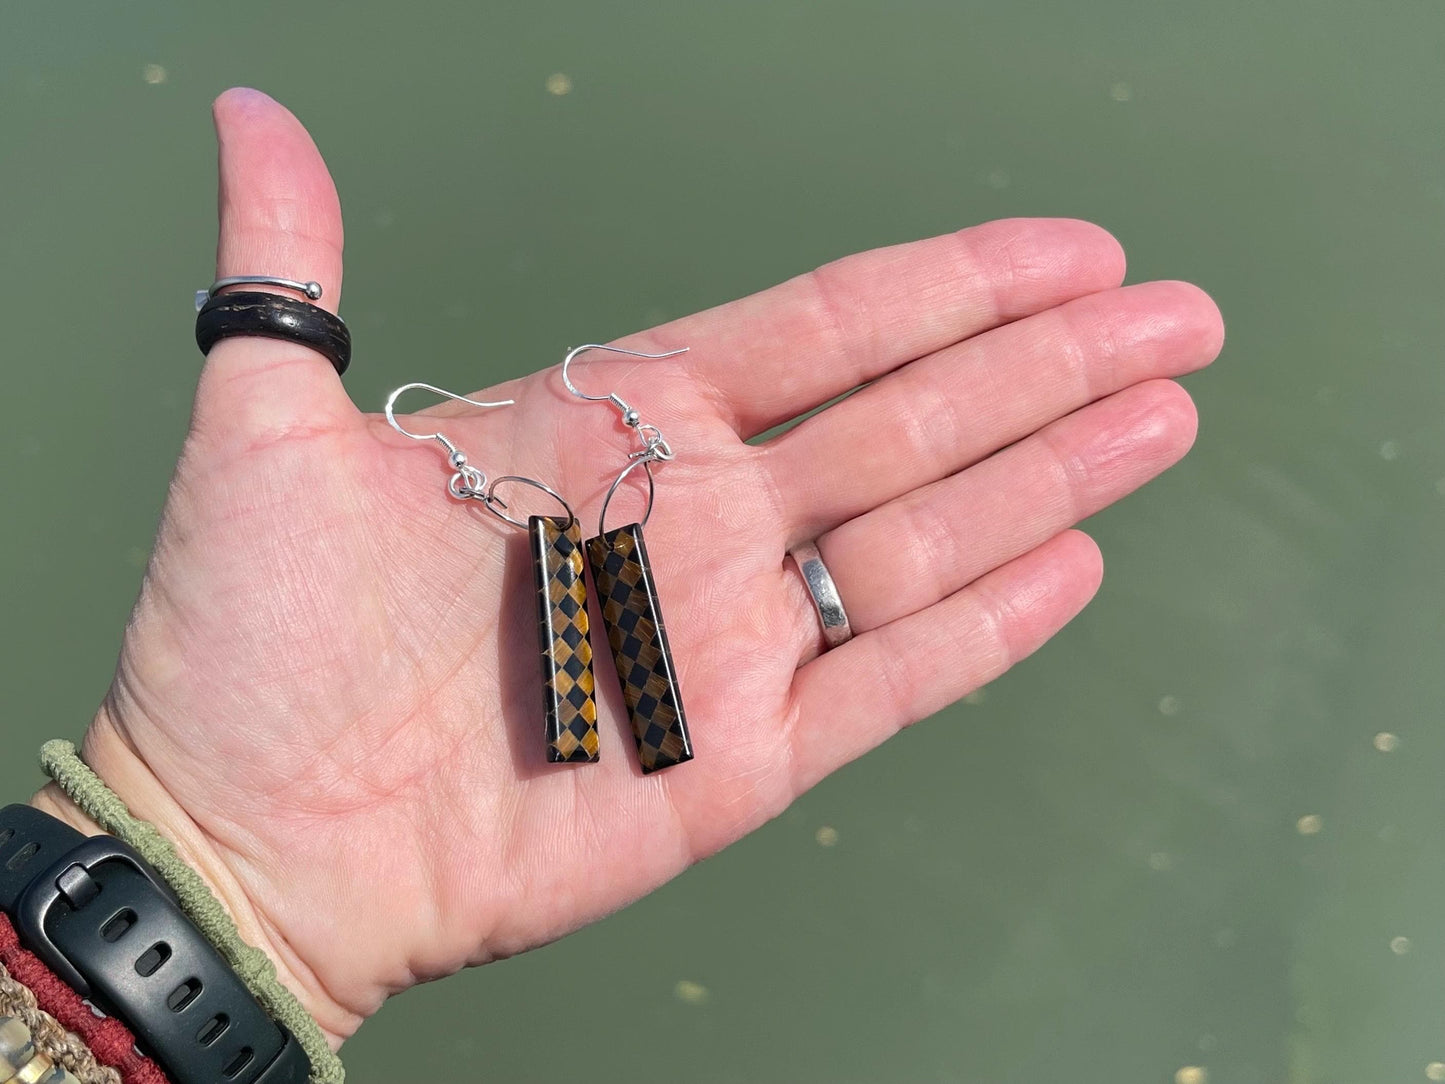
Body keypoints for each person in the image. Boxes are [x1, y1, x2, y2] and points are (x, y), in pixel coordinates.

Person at [24, 87, 1222, 1054]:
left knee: (627, 694)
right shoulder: (559, 542)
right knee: (608, 689)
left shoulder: (579, 536)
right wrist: (222, 867)